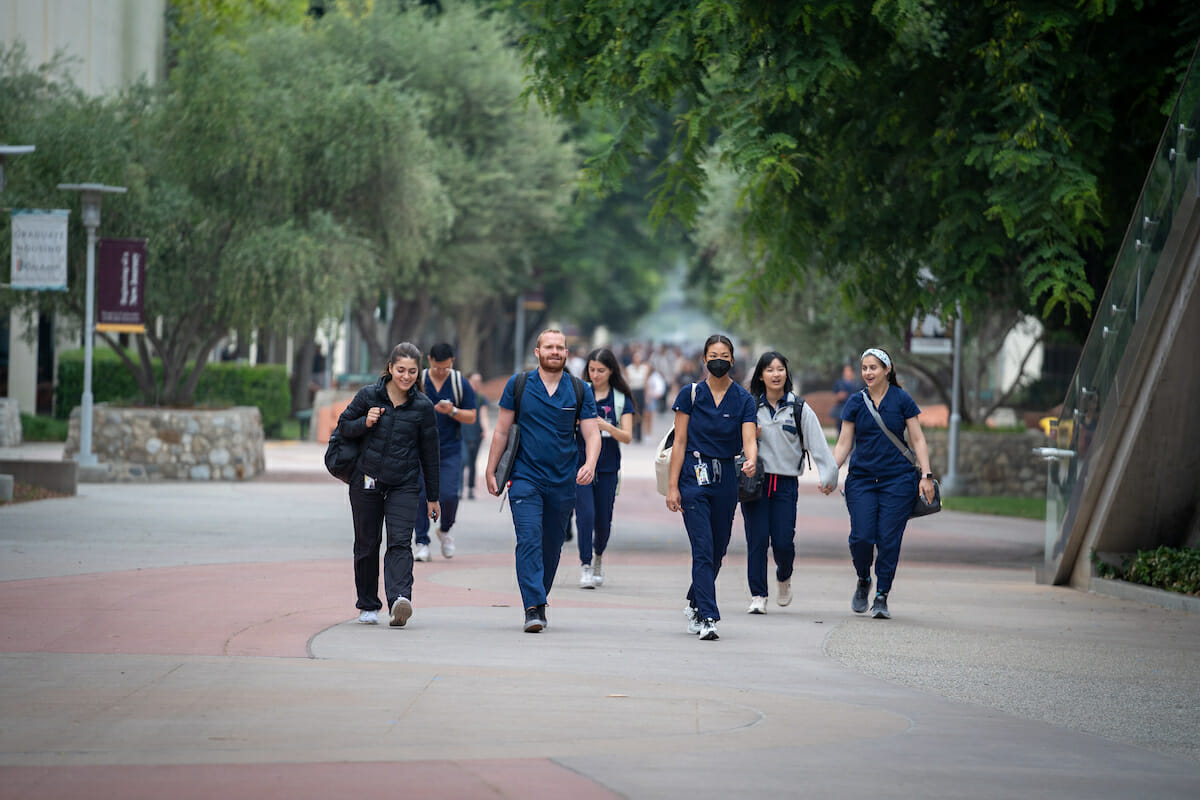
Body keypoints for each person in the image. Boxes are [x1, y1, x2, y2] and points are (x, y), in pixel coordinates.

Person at [486, 329, 601, 633]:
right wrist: (491, 468)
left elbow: (591, 433)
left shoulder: (579, 389)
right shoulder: (519, 384)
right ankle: (533, 607)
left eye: (560, 348)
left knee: (551, 546)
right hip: (525, 478)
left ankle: (540, 597)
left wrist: (589, 463)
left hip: (563, 481)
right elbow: (501, 430)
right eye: (548, 347)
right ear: (537, 352)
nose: (555, 351)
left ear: (566, 353)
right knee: (528, 539)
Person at [336, 342, 440, 627]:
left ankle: (399, 600)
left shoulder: (423, 407)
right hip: (366, 480)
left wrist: (433, 496)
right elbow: (343, 427)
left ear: (418, 373)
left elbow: (431, 455)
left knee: (399, 542)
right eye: (401, 370)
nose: (406, 376)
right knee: (367, 544)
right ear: (390, 368)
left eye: (412, 371)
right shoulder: (368, 395)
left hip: (404, 485)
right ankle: (368, 604)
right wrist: (364, 423)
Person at [830, 348, 935, 620]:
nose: (868, 372)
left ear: (887, 370)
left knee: (889, 540)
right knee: (861, 537)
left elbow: (918, 440)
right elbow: (844, 443)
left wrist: (926, 476)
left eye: (873, 367)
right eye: (864, 367)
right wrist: (831, 473)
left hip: (898, 481)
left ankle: (881, 596)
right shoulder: (855, 402)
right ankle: (864, 578)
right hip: (862, 479)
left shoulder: (902, 400)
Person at [665, 334, 758, 641]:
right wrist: (673, 487)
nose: (719, 360)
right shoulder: (690, 395)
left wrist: (751, 460)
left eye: (724, 355)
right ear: (703, 360)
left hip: (726, 478)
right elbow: (679, 442)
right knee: (702, 548)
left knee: (718, 549)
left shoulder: (743, 399)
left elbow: (749, 440)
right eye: (713, 355)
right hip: (694, 475)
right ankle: (708, 616)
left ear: (732, 360)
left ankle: (694, 601)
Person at [741, 352, 839, 614]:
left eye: (780, 369)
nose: (775, 374)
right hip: (755, 484)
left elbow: (817, 444)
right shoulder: (749, 407)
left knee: (783, 542)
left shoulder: (799, 408)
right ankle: (758, 595)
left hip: (785, 484)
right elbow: (733, 443)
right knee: (758, 540)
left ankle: (784, 577)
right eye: (769, 370)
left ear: (786, 373)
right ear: (761, 375)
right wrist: (750, 436)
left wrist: (828, 476)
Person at [575, 347, 635, 589]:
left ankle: (598, 556)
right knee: (585, 515)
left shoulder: (620, 399)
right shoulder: (579, 393)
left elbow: (628, 436)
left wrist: (606, 426)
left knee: (603, 520)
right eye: (591, 370)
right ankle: (585, 565)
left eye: (601, 370)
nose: (595, 374)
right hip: (580, 464)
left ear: (611, 371)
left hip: (608, 466)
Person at [412, 343, 477, 561]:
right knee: (420, 495)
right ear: (429, 359)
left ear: (452, 362)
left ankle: (445, 530)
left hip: (450, 448)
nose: (441, 371)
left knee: (450, 495)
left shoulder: (460, 383)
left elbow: (472, 416)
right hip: (419, 449)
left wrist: (453, 411)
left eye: (445, 368)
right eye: (437, 367)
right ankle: (421, 541)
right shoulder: (418, 380)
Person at [461, 372, 490, 500]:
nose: (477, 383)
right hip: (462, 433)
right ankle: (458, 488)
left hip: (476, 434)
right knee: (463, 460)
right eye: (475, 380)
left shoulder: (480, 398)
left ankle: (471, 489)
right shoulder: (461, 396)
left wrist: (486, 429)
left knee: (472, 462)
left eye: (479, 381)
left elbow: (483, 415)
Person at [625, 348, 650, 443]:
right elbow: (627, 382)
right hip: (633, 391)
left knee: (641, 412)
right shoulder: (629, 369)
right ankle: (633, 432)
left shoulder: (645, 368)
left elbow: (646, 382)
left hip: (641, 391)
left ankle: (639, 434)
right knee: (633, 413)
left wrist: (647, 395)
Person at [831, 363, 860, 434]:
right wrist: (839, 396)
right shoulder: (839, 383)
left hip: (853, 412)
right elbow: (834, 397)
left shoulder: (858, 384)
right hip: (841, 411)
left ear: (853, 372)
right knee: (840, 433)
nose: (846, 373)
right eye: (845, 371)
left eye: (848, 371)